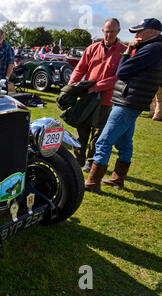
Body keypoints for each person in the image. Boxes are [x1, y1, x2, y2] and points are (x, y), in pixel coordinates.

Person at [85, 18, 162, 193]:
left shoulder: (152, 49)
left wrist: (129, 49)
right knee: (124, 142)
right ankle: (117, 179)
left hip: (129, 101)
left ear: (151, 32)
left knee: (103, 142)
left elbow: (122, 71)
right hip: (132, 101)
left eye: (140, 31)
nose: (136, 35)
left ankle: (92, 182)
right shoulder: (154, 48)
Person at [68, 18, 127, 173]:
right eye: (106, 31)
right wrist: (72, 86)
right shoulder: (92, 48)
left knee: (99, 132)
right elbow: (80, 69)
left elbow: (119, 77)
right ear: (102, 31)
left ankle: (91, 161)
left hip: (107, 99)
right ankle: (77, 159)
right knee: (81, 128)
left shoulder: (124, 51)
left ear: (118, 32)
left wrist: (97, 87)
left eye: (112, 32)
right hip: (86, 96)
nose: (109, 35)